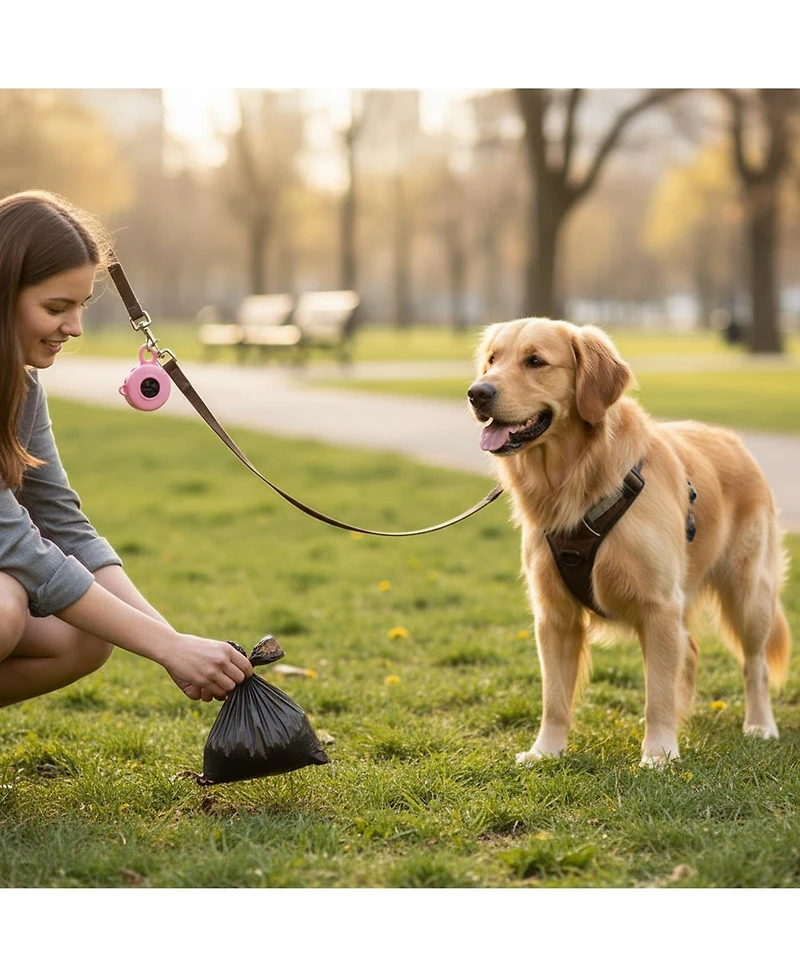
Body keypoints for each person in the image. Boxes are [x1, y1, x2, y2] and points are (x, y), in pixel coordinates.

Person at [0, 189, 253, 708]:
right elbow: (15, 544)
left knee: (85, 637)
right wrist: (169, 648)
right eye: (56, 307)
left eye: (80, 307)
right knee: (3, 608)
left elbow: (62, 522)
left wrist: (173, 645)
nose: (74, 327)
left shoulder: (21, 387)